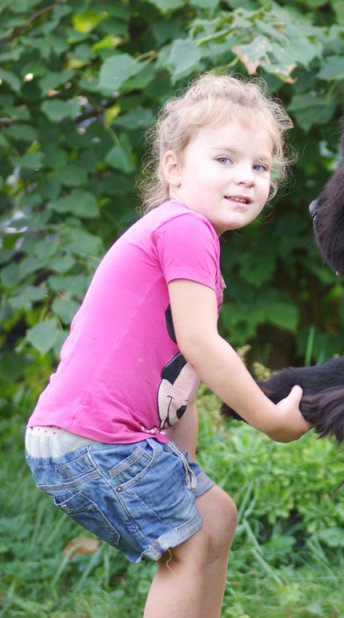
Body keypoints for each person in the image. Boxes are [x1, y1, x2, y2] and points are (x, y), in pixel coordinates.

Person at [25, 72, 310, 617]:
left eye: (260, 166)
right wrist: (270, 420)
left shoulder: (182, 237)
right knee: (189, 543)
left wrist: (180, 462)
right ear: (174, 169)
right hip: (95, 438)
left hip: (93, 438)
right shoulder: (185, 229)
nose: (246, 177)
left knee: (215, 516)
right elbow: (201, 345)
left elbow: (182, 377)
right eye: (224, 159)